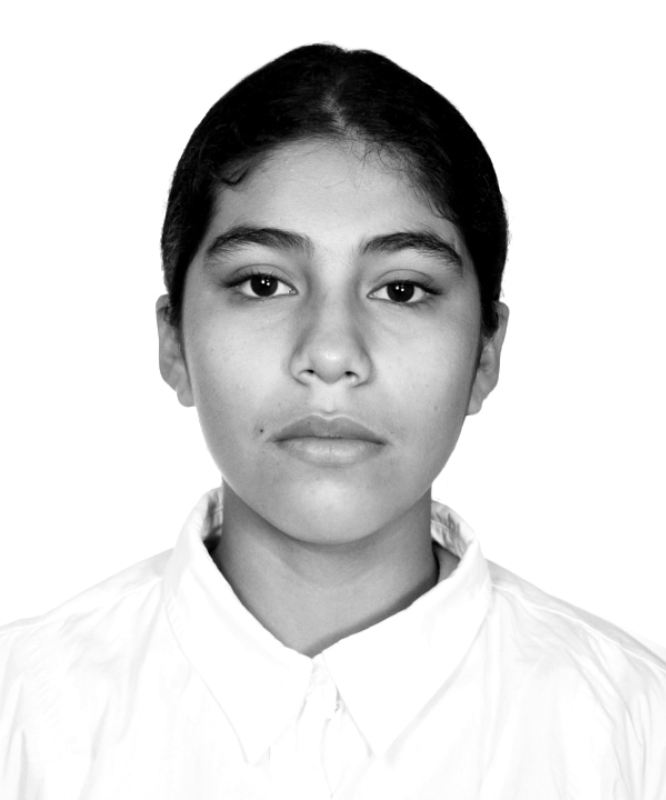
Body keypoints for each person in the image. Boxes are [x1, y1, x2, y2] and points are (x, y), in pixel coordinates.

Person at [1, 43, 664, 799]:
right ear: (174, 342)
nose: (331, 353)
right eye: (263, 283)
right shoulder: (21, 717)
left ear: (485, 353)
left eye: (402, 290)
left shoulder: (632, 732)